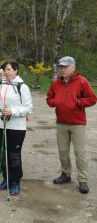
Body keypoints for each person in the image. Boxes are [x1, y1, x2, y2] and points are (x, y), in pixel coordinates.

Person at [46, 56, 97, 194]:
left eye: (65, 67)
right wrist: (53, 102)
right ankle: (66, 174)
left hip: (77, 123)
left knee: (79, 152)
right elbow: (49, 98)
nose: (62, 69)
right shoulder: (56, 83)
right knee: (63, 151)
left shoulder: (82, 81)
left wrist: (79, 102)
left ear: (73, 67)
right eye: (61, 67)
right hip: (61, 122)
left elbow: (93, 98)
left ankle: (83, 179)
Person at [0, 59, 33, 196]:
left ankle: (15, 182)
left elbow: (28, 108)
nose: (6, 72)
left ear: (15, 70)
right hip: (0, 125)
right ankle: (6, 179)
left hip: (17, 127)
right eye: (4, 70)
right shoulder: (0, 84)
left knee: (14, 155)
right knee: (2, 154)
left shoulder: (22, 87)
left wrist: (12, 111)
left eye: (8, 69)